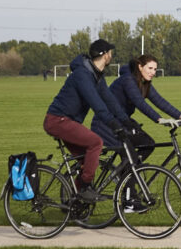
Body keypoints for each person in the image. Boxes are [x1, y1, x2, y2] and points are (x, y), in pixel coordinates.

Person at [43, 39, 139, 202]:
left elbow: (111, 102)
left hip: (68, 122)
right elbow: (98, 105)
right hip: (58, 121)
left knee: (87, 162)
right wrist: (114, 125)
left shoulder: (97, 76)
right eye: (110, 52)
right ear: (105, 55)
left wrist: (126, 120)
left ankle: (74, 202)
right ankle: (85, 188)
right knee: (95, 143)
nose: (112, 55)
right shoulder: (83, 75)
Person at [91, 54, 181, 162]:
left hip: (122, 122)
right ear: (140, 67)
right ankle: (129, 176)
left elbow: (159, 101)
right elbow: (140, 103)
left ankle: (129, 174)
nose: (153, 72)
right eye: (150, 68)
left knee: (148, 144)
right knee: (130, 155)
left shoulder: (144, 83)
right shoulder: (128, 80)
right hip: (106, 124)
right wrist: (159, 119)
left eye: (155, 69)